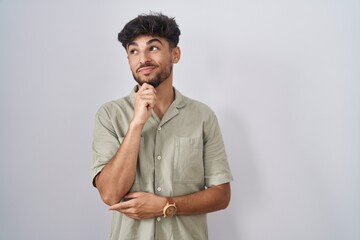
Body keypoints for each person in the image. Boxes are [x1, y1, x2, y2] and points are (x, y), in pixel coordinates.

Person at [91, 12, 233, 240]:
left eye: (153, 48)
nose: (142, 58)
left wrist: (166, 205)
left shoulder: (203, 117)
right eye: (133, 51)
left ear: (175, 54)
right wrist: (137, 124)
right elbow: (109, 194)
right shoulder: (109, 115)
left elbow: (221, 195)